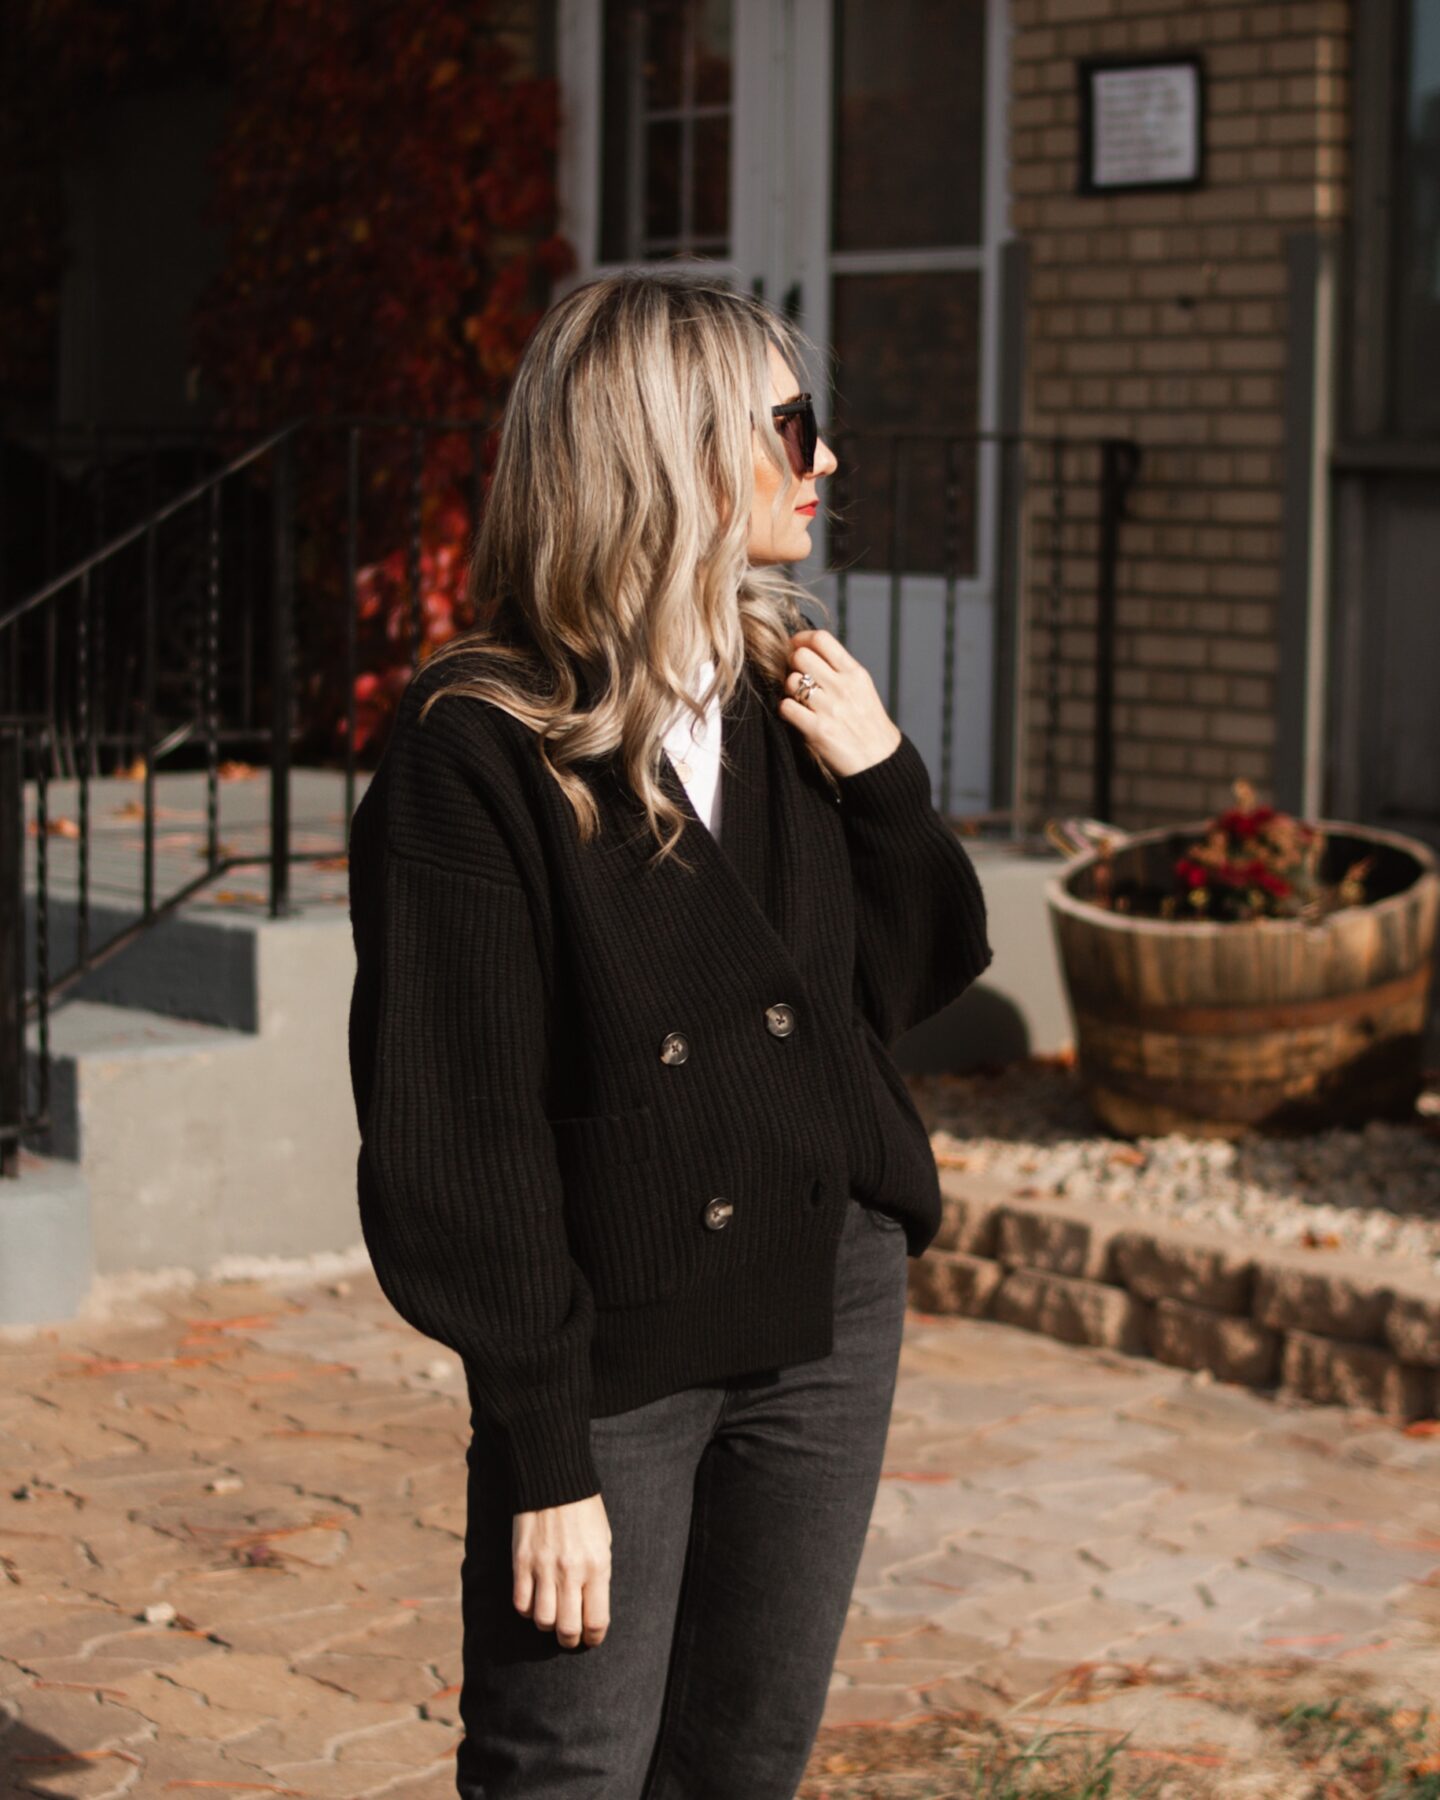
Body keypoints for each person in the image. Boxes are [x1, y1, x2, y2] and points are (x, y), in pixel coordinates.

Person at [345, 270, 993, 1799]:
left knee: (743, 1760)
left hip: (828, 1304)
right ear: (682, 451)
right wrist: (542, 1446)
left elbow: (918, 974)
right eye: (795, 427)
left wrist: (885, 772)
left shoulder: (785, 700)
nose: (824, 461)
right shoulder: (480, 747)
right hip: (616, 1340)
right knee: (562, 1761)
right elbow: (459, 1135)